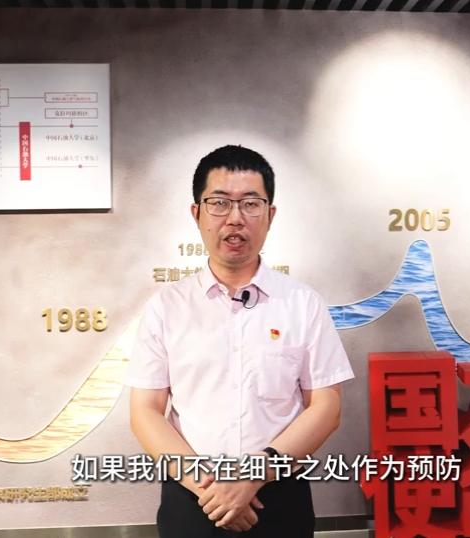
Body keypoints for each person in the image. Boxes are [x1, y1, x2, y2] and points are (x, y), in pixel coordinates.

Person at [124, 145, 355, 538]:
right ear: (197, 214)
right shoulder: (167, 306)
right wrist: (212, 490)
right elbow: (145, 410)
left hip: (279, 496)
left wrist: (252, 476)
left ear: (270, 215)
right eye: (219, 203)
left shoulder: (302, 303)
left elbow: (326, 407)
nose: (235, 218)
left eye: (250, 204)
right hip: (193, 498)